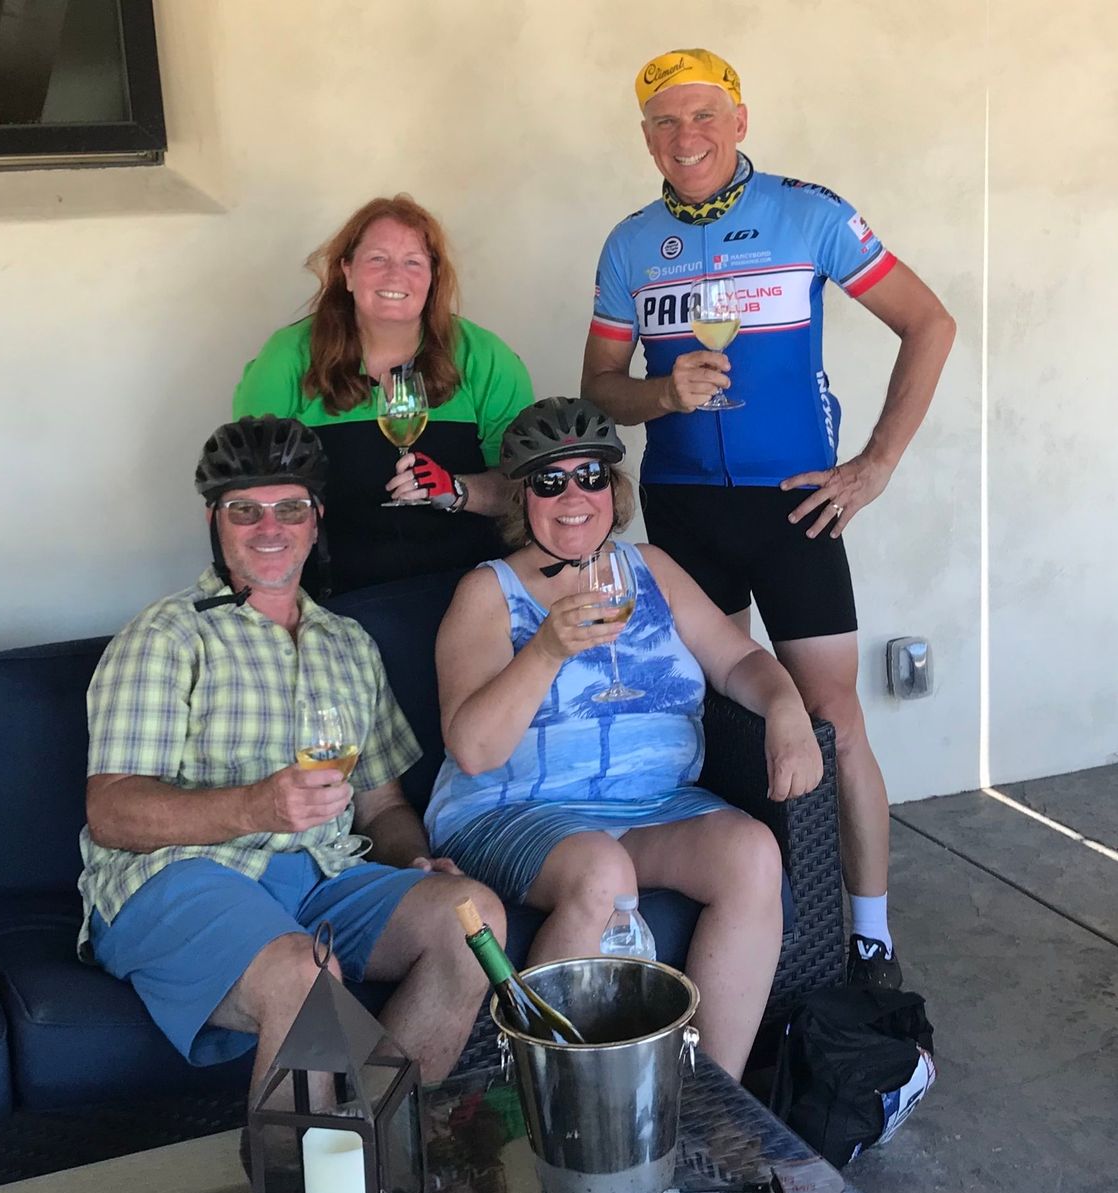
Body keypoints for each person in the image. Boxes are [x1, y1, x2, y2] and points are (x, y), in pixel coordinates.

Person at [581, 49, 957, 988]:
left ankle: (868, 935)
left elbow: (931, 323)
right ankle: (763, 913)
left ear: (740, 122)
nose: (686, 137)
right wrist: (660, 395)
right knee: (719, 711)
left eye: (704, 115)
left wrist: (874, 466)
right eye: (666, 122)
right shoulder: (630, 244)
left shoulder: (808, 212)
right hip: (683, 506)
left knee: (831, 715)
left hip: (794, 504)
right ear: (646, 140)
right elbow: (598, 391)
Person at [77, 415, 506, 1120]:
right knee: (306, 976)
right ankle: (296, 1169)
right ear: (215, 522)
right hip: (181, 875)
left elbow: (382, 806)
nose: (269, 528)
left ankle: (386, 1142)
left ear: (316, 520)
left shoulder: (349, 644)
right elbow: (112, 811)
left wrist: (414, 860)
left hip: (322, 874)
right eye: (244, 511)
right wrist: (255, 807)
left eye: (289, 508)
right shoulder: (167, 635)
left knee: (473, 920)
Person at [425, 396, 823, 1079]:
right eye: (550, 481)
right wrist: (547, 650)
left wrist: (786, 708)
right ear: (522, 496)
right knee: (601, 874)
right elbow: (474, 750)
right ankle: (554, 1104)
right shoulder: (488, 592)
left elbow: (738, 661)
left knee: (752, 853)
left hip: (651, 804)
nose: (573, 496)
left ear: (614, 488)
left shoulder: (651, 569)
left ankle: (706, 1102)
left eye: (591, 476)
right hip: (515, 808)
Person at [233, 194, 536, 597]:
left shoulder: (484, 356)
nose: (395, 275)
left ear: (433, 277)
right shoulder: (288, 356)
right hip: (333, 594)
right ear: (347, 271)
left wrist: (456, 490)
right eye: (378, 259)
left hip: (467, 587)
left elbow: (525, 489)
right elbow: (245, 491)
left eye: (413, 262)